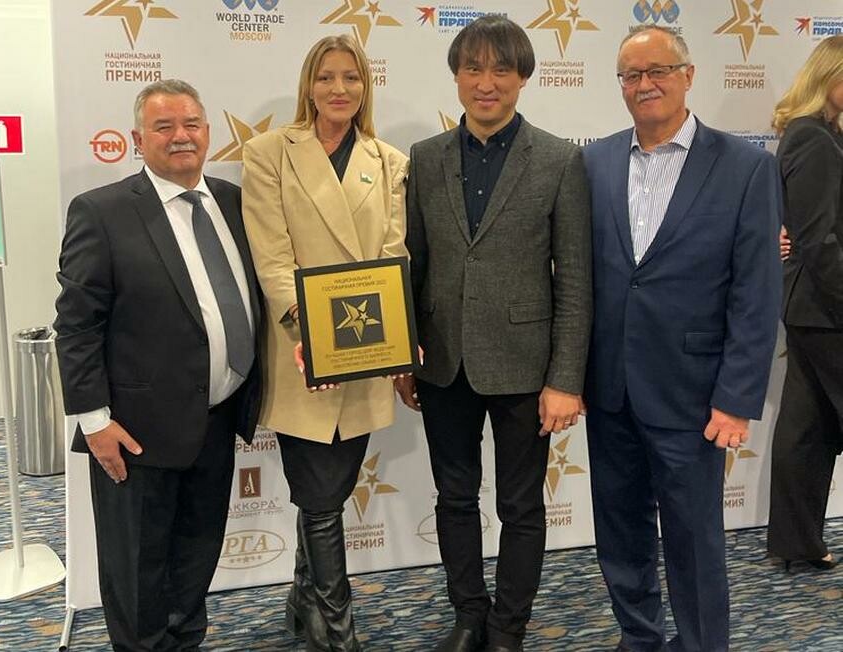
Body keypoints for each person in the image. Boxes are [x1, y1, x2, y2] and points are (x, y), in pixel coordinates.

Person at [582, 26, 783, 651]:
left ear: (689, 75)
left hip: (694, 396)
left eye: (659, 71)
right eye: (631, 75)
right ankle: (639, 638)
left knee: (695, 540)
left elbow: (756, 293)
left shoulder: (747, 167)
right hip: (609, 387)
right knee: (620, 533)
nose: (645, 84)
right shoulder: (593, 162)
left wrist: (736, 398)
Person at [397, 15, 592, 652]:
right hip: (443, 362)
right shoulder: (425, 158)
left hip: (525, 366)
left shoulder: (560, 159)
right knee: (454, 499)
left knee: (521, 506)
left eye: (501, 69)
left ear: (523, 78)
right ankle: (468, 615)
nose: (487, 83)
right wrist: (403, 354)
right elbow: (414, 266)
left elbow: (575, 281)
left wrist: (565, 379)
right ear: (456, 76)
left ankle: (509, 626)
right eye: (473, 68)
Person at [54, 79, 263, 651]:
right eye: (163, 127)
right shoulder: (101, 212)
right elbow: (76, 325)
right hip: (134, 432)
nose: (180, 137)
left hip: (217, 418)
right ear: (137, 140)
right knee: (138, 573)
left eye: (191, 124)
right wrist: (94, 422)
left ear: (208, 133)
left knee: (196, 557)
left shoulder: (234, 201)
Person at [241, 34, 408, 652]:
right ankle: (338, 631)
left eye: (352, 77)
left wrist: (392, 339)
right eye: (327, 77)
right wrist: (312, 335)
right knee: (319, 497)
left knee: (331, 488)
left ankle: (301, 599)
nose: (340, 89)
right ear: (308, 85)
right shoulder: (269, 153)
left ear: (366, 86)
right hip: (301, 351)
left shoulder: (389, 161)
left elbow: (393, 255)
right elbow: (272, 256)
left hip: (364, 349)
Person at [767, 34, 843, 572]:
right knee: (805, 425)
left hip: (813, 308)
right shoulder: (813, 138)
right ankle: (796, 540)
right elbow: (818, 241)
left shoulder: (822, 134)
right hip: (827, 307)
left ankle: (796, 542)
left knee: (806, 424)